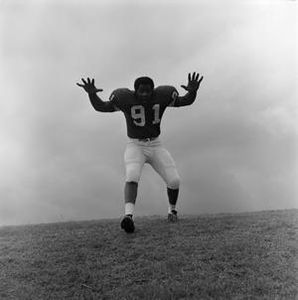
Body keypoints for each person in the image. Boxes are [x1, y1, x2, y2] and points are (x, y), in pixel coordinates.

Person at [77, 72, 203, 233]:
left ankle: (172, 211)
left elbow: (185, 101)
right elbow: (101, 107)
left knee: (174, 181)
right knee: (132, 175)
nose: (144, 94)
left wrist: (193, 91)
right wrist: (92, 95)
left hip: (156, 144)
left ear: (153, 90)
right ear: (134, 91)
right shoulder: (124, 98)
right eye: (141, 91)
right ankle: (128, 216)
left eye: (148, 91)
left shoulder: (163, 95)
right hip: (135, 145)